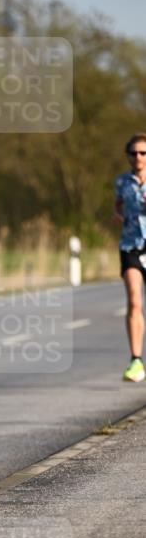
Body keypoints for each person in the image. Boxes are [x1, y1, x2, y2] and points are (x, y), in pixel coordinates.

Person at [115, 132, 146, 383]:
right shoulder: (122, 182)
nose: (138, 157)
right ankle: (136, 360)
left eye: (143, 152)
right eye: (134, 152)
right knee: (135, 301)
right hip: (131, 246)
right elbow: (118, 205)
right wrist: (119, 216)